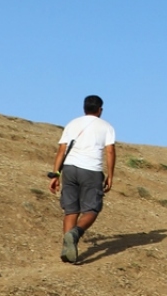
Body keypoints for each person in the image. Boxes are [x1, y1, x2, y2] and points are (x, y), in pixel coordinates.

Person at [49, 94, 116, 264]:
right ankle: (75, 233)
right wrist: (111, 175)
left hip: (69, 169)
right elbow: (110, 151)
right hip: (91, 170)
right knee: (92, 210)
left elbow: (61, 150)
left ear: (84, 108)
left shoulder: (72, 124)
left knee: (71, 210)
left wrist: (56, 174)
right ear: (100, 110)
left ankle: (67, 249)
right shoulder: (106, 126)